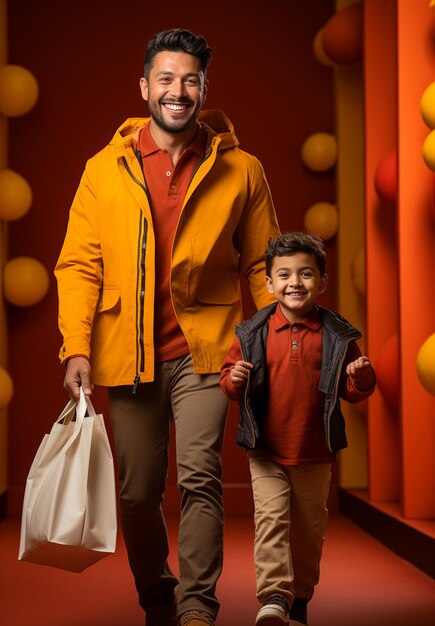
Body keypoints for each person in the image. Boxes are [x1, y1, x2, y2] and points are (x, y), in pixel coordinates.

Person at [55, 28, 280, 626]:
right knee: (136, 493)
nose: (177, 91)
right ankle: (157, 592)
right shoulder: (103, 169)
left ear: (205, 87)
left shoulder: (243, 169)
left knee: (201, 477)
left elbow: (262, 266)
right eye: (166, 79)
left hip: (209, 350)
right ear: (144, 86)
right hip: (126, 354)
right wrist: (75, 346)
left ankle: (196, 608)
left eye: (189, 80)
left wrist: (272, 342)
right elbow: (79, 263)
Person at [220, 232, 376, 626]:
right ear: (269, 284)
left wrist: (362, 376)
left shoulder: (338, 336)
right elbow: (228, 380)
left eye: (305, 274)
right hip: (266, 449)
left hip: (315, 451)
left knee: (308, 532)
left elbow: (351, 392)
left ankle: (299, 599)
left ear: (322, 282)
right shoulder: (251, 332)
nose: (295, 282)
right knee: (271, 521)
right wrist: (234, 379)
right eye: (284, 275)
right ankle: (274, 596)